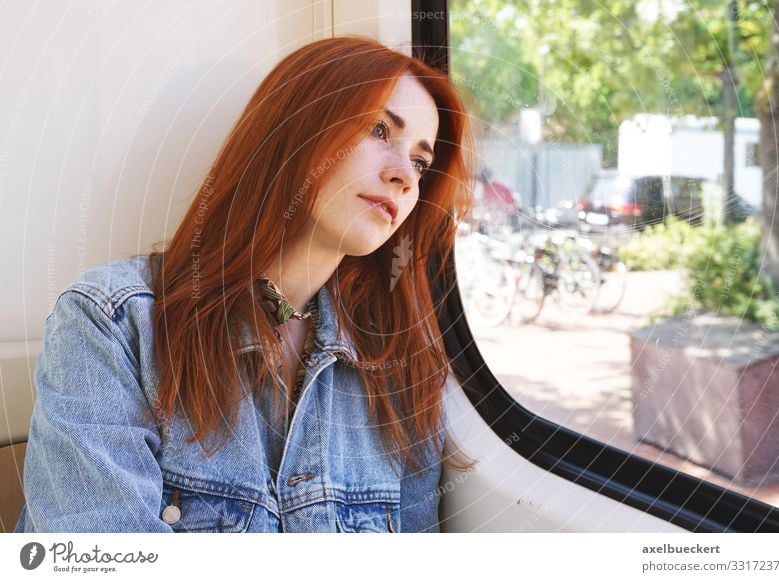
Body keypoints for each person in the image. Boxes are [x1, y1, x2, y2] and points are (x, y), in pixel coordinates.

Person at [15, 35, 476, 533]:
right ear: (295, 130)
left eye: (421, 162)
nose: (405, 177)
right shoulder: (114, 324)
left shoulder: (398, 368)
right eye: (380, 129)